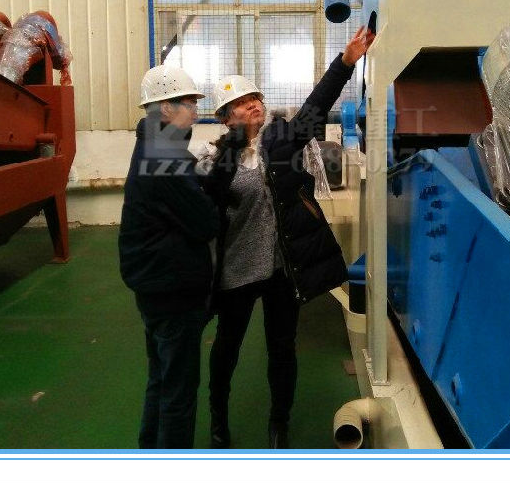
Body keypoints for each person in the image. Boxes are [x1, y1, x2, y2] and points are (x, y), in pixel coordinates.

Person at [199, 26, 375, 449]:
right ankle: (219, 421)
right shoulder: (214, 159)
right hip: (238, 271)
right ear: (225, 117)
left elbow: (317, 106)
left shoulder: (282, 140)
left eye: (255, 98)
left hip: (283, 268)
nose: (253, 104)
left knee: (282, 349)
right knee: (227, 349)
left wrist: (346, 62)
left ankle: (280, 423)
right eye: (241, 103)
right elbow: (205, 216)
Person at [118, 65, 219, 449]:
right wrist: (213, 188)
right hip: (172, 287)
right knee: (179, 390)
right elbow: (205, 223)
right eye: (189, 103)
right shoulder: (165, 156)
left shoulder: (153, 145)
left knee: (161, 378)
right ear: (165, 108)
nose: (195, 111)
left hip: (153, 283)